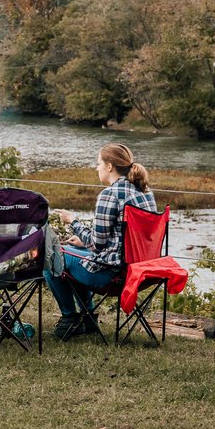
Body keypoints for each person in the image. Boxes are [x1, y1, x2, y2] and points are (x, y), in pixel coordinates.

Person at [46, 143, 156, 340]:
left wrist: (73, 221)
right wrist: (82, 242)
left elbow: (97, 244)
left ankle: (70, 319)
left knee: (52, 257)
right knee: (72, 252)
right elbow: (121, 239)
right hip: (139, 270)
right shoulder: (146, 192)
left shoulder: (110, 194)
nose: (97, 168)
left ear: (110, 166)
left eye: (98, 164)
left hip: (111, 275)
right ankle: (87, 319)